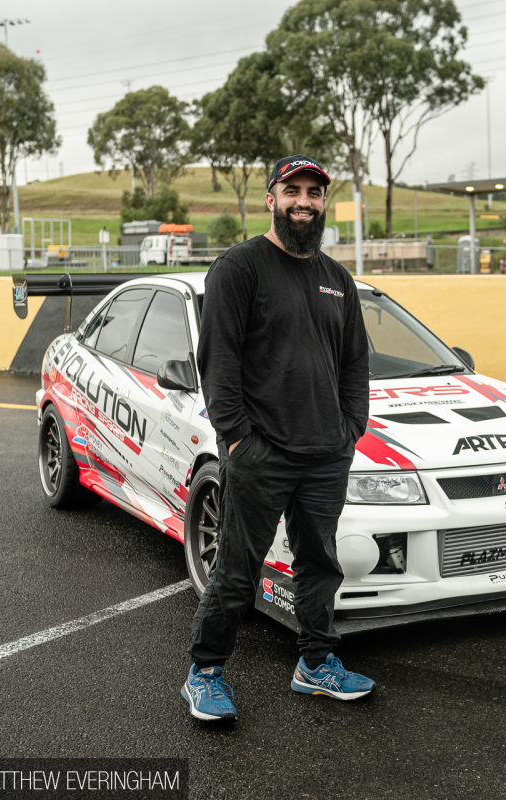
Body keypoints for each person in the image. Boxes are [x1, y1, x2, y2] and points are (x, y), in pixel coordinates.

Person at [181, 155, 374, 722]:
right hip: (260, 454)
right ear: (272, 198)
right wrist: (238, 440)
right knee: (239, 569)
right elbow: (218, 363)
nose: (305, 201)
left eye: (314, 192)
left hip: (324, 455)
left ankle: (316, 663)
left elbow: (354, 363)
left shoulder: (337, 279)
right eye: (293, 190)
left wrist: (349, 430)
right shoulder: (239, 267)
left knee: (321, 564)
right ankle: (205, 672)